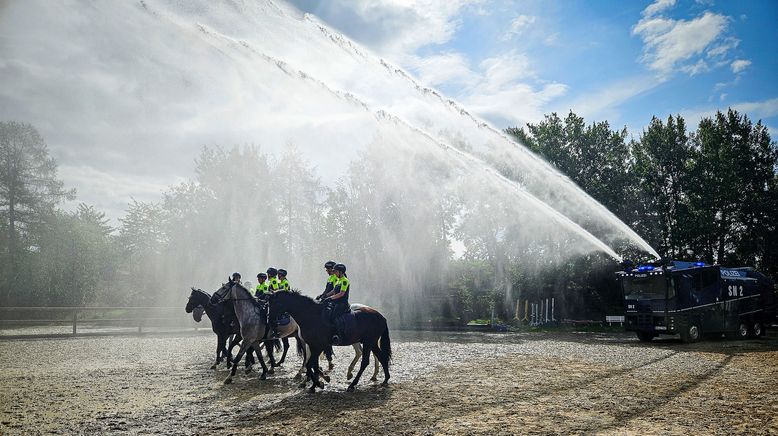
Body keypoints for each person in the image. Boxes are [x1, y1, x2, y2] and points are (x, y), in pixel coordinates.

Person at [323, 263, 350, 344]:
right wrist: (324, 295)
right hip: (336, 302)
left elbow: (341, 293)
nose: (334, 272)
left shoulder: (345, 281)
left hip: (342, 303)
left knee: (334, 316)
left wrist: (330, 298)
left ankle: (337, 335)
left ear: (341, 272)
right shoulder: (338, 280)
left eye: (335, 271)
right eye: (333, 271)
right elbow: (334, 291)